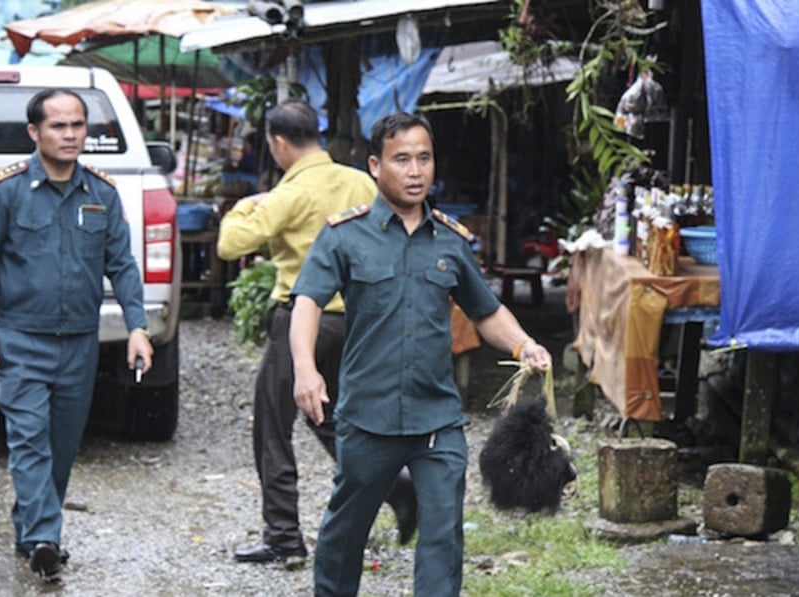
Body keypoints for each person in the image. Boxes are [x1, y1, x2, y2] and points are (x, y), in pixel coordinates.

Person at [289, 112, 552, 596]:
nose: (415, 171)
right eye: (402, 159)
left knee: (442, 536)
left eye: (424, 159)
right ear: (375, 165)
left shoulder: (450, 240)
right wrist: (305, 370)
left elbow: (486, 311)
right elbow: (307, 301)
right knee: (346, 533)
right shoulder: (345, 235)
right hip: (368, 416)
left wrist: (523, 343)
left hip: (438, 419)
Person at [0, 88, 153, 580]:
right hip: (21, 341)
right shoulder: (5, 190)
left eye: (78, 126)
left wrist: (138, 327)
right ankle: (47, 539)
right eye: (58, 126)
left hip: (79, 345)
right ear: (35, 132)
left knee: (62, 448)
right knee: (30, 441)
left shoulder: (102, 193)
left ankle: (30, 530)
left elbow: (124, 267)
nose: (70, 135)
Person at [217, 100, 417, 564]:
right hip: (358, 320)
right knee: (332, 418)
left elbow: (231, 245)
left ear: (278, 143)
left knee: (273, 425)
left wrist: (244, 207)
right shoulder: (359, 180)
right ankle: (397, 487)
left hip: (302, 321)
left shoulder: (289, 194)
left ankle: (283, 536)